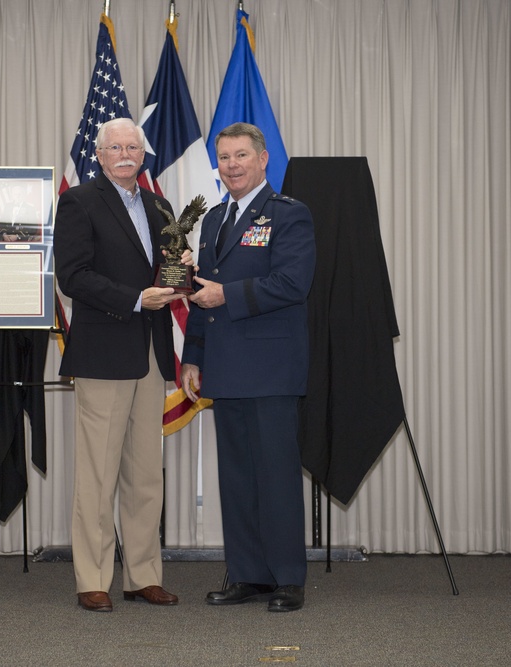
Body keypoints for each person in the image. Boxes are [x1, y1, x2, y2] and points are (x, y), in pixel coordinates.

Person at [181, 122, 316, 612]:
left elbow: (292, 283)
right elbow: (200, 294)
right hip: (225, 366)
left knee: (276, 477)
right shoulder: (214, 220)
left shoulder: (289, 215)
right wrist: (192, 356)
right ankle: (247, 575)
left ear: (262, 160)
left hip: (271, 367)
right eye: (225, 158)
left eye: (241, 156)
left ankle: (286, 579)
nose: (232, 165)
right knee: (236, 478)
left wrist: (227, 294)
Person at [54, 118, 186, 612]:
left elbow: (170, 269)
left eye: (133, 146)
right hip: (104, 353)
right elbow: (72, 277)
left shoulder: (160, 205)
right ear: (100, 153)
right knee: (97, 474)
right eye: (116, 147)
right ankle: (93, 578)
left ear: (143, 153)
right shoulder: (79, 201)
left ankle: (143, 575)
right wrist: (135, 299)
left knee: (145, 474)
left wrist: (183, 272)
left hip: (150, 354)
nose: (126, 153)